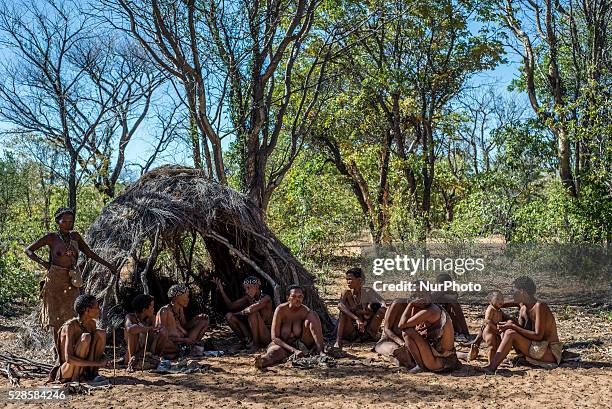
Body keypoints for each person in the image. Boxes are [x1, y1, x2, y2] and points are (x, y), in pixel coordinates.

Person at [25, 207, 117, 357]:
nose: (68, 223)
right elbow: (28, 250)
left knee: (72, 315)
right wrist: (44, 264)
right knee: (55, 319)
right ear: (57, 221)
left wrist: (109, 265)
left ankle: (71, 349)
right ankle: (58, 352)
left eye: (71, 221)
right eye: (64, 221)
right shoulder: (51, 238)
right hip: (54, 280)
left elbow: (89, 253)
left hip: (72, 280)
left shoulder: (75, 237)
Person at [481, 276, 562, 373]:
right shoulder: (522, 305)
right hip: (535, 347)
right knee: (509, 325)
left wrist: (513, 326)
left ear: (522, 291)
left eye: (514, 291)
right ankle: (496, 359)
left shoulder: (539, 307)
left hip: (549, 352)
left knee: (511, 332)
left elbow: (538, 336)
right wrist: (491, 310)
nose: (512, 294)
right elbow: (500, 304)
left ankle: (491, 367)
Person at [254, 285, 325, 369]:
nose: (298, 299)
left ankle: (320, 351)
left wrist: (319, 350)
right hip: (282, 345)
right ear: (288, 297)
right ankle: (261, 361)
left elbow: (314, 329)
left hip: (301, 345)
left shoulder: (306, 311)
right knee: (275, 353)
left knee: (313, 315)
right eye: (294, 296)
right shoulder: (280, 310)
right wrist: (294, 350)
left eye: (300, 296)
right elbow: (274, 338)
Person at [50, 294, 111, 383]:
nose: (99, 309)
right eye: (97, 307)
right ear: (87, 310)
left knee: (101, 333)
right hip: (67, 371)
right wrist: (98, 363)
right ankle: (76, 377)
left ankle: (93, 374)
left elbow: (93, 349)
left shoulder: (91, 324)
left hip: (85, 370)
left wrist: (104, 359)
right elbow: (69, 359)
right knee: (86, 337)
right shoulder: (70, 326)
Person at [398, 288, 459, 373]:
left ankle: (420, 366)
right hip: (446, 360)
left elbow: (401, 325)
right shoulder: (432, 307)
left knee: (407, 332)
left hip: (440, 362)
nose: (419, 298)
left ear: (429, 295)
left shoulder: (429, 311)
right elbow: (415, 327)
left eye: (421, 295)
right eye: (415, 296)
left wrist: (410, 305)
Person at [213, 276, 273, 351]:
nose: (246, 291)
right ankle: (245, 342)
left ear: (257, 286)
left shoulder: (266, 298)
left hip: (266, 335)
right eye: (245, 289)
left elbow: (250, 310)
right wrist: (222, 291)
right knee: (229, 316)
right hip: (253, 333)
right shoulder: (249, 298)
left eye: (249, 288)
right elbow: (231, 306)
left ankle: (256, 344)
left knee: (253, 313)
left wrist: (236, 314)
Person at [334, 267, 386, 349]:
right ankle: (338, 340)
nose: (348, 282)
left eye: (350, 279)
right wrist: (356, 319)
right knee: (343, 313)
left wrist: (379, 308)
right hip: (351, 330)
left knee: (382, 310)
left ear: (359, 280)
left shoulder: (368, 291)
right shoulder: (347, 293)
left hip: (366, 330)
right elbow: (340, 305)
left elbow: (382, 301)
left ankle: (370, 335)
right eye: (347, 279)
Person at [156, 284, 209, 358]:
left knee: (204, 322)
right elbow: (160, 335)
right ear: (176, 297)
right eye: (186, 296)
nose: (188, 299)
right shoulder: (164, 311)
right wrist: (183, 340)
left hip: (182, 341)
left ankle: (187, 348)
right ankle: (185, 349)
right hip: (172, 342)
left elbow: (185, 326)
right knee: (169, 346)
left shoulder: (180, 309)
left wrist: (196, 319)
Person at [468, 291, 516, 362]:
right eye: (498, 299)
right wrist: (495, 327)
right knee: (492, 347)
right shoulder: (491, 309)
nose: (501, 301)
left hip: (496, 332)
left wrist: (510, 317)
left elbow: (504, 316)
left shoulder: (499, 310)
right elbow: (487, 320)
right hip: (489, 331)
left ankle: (495, 360)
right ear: (490, 301)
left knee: (498, 346)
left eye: (502, 299)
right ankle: (490, 363)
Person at [124, 294, 169, 368]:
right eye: (152, 307)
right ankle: (132, 360)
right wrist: (148, 329)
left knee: (163, 331)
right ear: (144, 309)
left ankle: (155, 357)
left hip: (146, 352)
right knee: (134, 330)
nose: (153, 309)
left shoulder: (151, 319)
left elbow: (151, 339)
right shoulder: (130, 317)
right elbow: (130, 329)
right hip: (133, 352)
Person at [373, 299, 414, 368]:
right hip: (387, 340)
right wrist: (401, 343)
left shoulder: (421, 307)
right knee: (396, 351)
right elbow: (387, 329)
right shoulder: (398, 304)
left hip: (408, 342)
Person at [435, 273, 471, 341]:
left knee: (454, 307)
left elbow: (454, 296)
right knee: (453, 305)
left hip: (446, 315)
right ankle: (464, 332)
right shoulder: (433, 291)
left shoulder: (448, 291)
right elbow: (436, 295)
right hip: (435, 317)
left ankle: (462, 331)